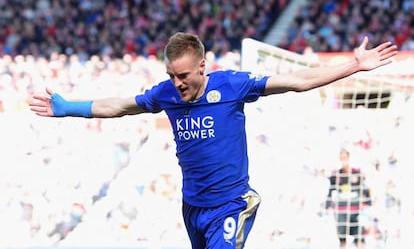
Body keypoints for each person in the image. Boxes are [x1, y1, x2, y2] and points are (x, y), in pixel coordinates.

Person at [29, 32, 396, 249]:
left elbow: (296, 81)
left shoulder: (232, 85)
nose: (178, 84)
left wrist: (353, 66)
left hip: (230, 205)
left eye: (184, 75)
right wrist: (68, 108)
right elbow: (121, 105)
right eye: (172, 76)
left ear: (203, 66)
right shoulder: (166, 95)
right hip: (193, 208)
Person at [325, 148, 372, 249]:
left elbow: (365, 189)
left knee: (360, 238)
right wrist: (328, 206)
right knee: (342, 238)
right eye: (341, 158)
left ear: (349, 157)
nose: (343, 160)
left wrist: (368, 204)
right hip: (342, 211)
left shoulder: (357, 173)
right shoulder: (336, 175)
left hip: (356, 210)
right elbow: (330, 191)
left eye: (345, 157)